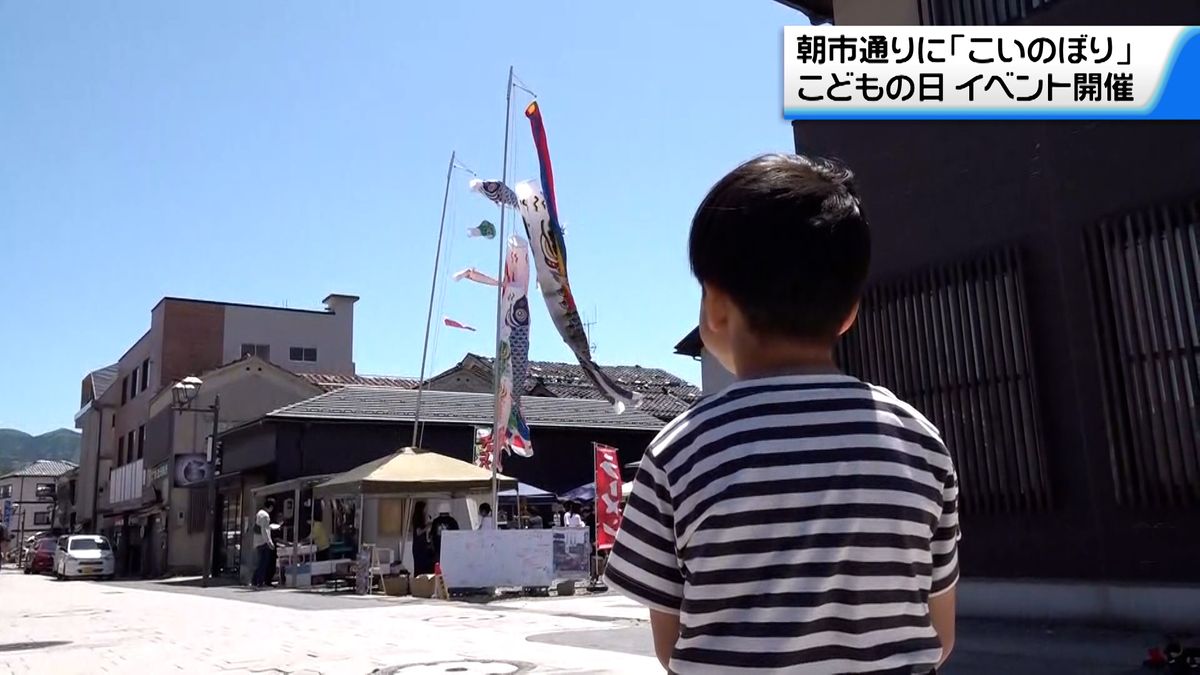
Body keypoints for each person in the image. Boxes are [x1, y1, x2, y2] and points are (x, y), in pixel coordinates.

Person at [604, 154, 959, 674]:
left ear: (716, 308)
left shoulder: (677, 452)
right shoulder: (919, 443)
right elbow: (939, 634)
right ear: (849, 311)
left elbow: (673, 646)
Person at [250, 498, 275, 588]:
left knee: (260, 562)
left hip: (257, 542)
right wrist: (269, 542)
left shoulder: (259, 513)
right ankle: (259, 582)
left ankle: (254, 581)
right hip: (263, 542)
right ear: (271, 507)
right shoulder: (265, 516)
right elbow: (264, 530)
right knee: (263, 563)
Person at [411, 501, 433, 575]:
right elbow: (418, 532)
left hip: (422, 546)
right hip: (419, 547)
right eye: (425, 508)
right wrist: (427, 526)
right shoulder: (417, 518)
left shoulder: (423, 518)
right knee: (420, 566)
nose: (426, 510)